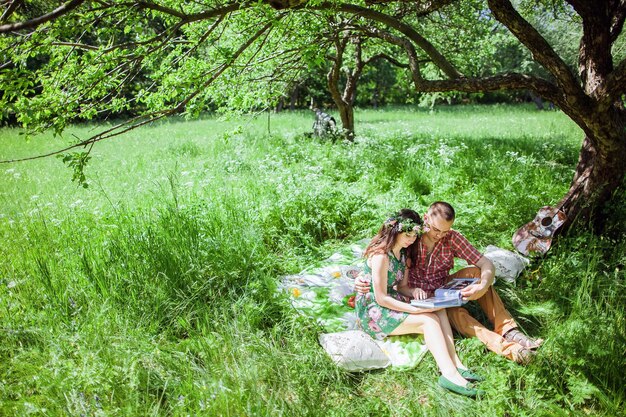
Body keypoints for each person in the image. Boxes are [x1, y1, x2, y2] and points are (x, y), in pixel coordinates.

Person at [356, 202, 542, 364]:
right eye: (436, 230)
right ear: (425, 218)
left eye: (445, 231)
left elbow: (486, 263)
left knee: (477, 272)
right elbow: (382, 255)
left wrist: (482, 286)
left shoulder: (451, 237)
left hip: (443, 289)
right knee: (460, 317)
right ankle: (511, 350)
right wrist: (359, 278)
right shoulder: (411, 235)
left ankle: (509, 330)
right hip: (420, 297)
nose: (439, 235)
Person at [356, 209, 484, 397]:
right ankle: (449, 374)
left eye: (415, 235)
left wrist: (413, 291)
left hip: (394, 299)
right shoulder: (381, 256)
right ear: (395, 231)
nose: (412, 239)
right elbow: (381, 298)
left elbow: (402, 287)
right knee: (428, 321)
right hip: (375, 311)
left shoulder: (402, 254)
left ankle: (456, 363)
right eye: (407, 235)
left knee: (438, 311)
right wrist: (413, 310)